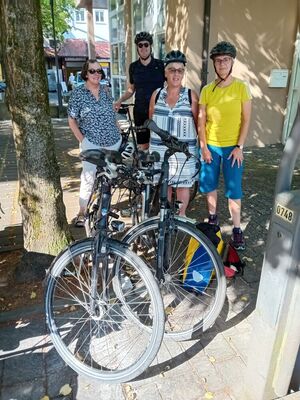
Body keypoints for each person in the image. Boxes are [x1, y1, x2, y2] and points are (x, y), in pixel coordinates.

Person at [198, 41, 252, 250]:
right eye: (218, 60)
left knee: (234, 190)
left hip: (232, 149)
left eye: (226, 60)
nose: (222, 64)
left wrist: (239, 146)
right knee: (210, 186)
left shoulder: (241, 88)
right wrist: (203, 146)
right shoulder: (207, 90)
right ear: (214, 64)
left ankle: (237, 229)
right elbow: (201, 120)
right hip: (211, 146)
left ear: (232, 62)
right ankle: (213, 219)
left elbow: (246, 119)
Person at [68, 59, 122, 227]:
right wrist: (82, 141)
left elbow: (112, 114)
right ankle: (82, 211)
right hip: (91, 142)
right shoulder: (78, 94)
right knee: (88, 177)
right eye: (92, 71)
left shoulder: (106, 91)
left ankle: (103, 206)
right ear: (86, 73)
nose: (96, 74)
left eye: (99, 71)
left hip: (112, 141)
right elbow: (71, 119)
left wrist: (118, 128)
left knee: (110, 177)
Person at [148, 50, 199, 216]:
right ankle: (167, 215)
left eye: (180, 70)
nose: (176, 74)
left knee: (183, 185)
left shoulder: (191, 96)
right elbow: (152, 120)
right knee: (166, 184)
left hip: (183, 149)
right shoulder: (156, 95)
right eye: (172, 70)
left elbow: (198, 124)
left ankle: (181, 216)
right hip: (161, 149)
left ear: (183, 73)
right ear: (165, 72)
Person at [114, 31, 165, 150]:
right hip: (140, 111)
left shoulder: (161, 65)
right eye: (140, 45)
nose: (143, 48)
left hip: (158, 110)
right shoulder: (133, 67)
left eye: (146, 44)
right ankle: (142, 167)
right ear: (137, 48)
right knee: (142, 146)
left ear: (150, 46)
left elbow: (169, 86)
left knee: (160, 143)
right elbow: (131, 89)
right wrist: (119, 100)